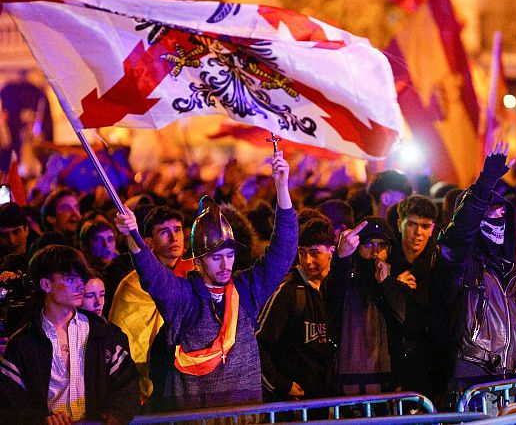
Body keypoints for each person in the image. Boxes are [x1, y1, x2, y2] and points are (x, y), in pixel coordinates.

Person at [114, 150, 298, 411]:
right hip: (194, 415)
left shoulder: (246, 291)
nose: (226, 265)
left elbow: (283, 252)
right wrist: (132, 235)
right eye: (216, 258)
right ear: (197, 261)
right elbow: (153, 276)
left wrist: (281, 188)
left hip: (244, 414)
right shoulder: (184, 297)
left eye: (230, 255)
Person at [433, 142, 516, 405]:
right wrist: (485, 183)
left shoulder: (513, 270)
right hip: (471, 381)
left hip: (509, 380)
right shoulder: (461, 263)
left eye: (502, 211)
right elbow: (459, 235)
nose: (498, 214)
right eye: (490, 209)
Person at [0, 245, 138, 424]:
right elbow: (8, 404)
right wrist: (41, 420)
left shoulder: (105, 336)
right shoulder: (23, 344)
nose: (80, 284)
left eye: (81, 277)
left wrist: (114, 415)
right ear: (46, 284)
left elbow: (128, 386)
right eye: (70, 278)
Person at [108, 206, 195, 402]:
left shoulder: (197, 274)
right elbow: (127, 337)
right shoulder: (133, 286)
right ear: (148, 242)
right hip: (153, 379)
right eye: (164, 232)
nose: (174, 238)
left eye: (178, 230)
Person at [323, 216, 414, 394]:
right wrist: (341, 258)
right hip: (347, 387)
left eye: (382, 246)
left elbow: (408, 323)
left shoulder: (396, 285)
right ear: (357, 249)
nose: (376, 252)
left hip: (389, 386)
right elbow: (333, 288)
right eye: (369, 244)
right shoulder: (346, 285)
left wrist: (387, 285)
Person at [257, 218, 336, 401]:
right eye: (302, 253)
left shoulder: (339, 287)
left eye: (315, 253)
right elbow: (260, 342)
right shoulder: (289, 291)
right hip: (297, 401)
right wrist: (281, 384)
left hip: (333, 398)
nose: (307, 261)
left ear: (331, 251)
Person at [389, 194, 438, 396]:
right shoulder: (387, 260)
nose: (418, 233)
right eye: (412, 225)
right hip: (392, 359)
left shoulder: (439, 264)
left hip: (429, 364)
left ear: (432, 228)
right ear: (400, 223)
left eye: (425, 226)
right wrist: (393, 286)